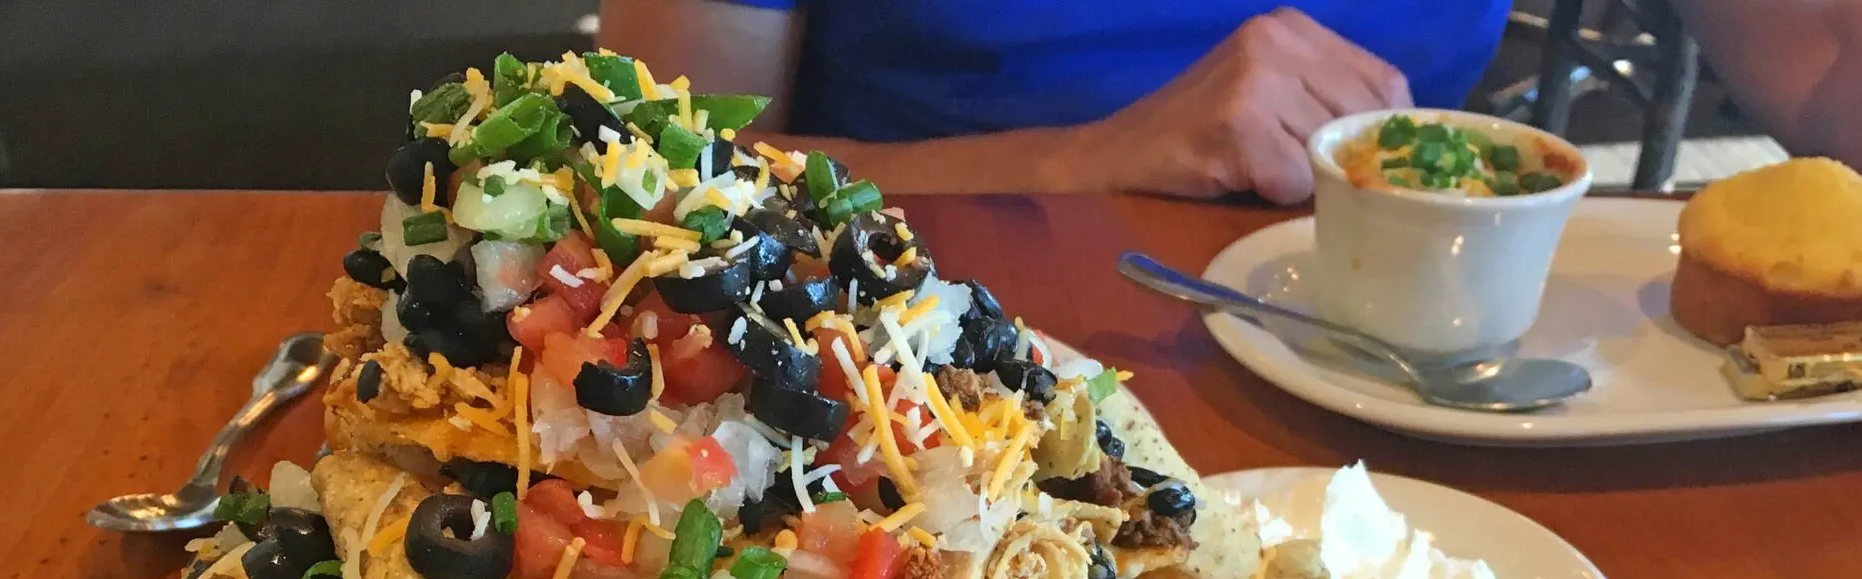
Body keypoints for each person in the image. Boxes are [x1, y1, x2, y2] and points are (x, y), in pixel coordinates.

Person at [599, 0, 1862, 203]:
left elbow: (1821, 72)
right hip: (912, 366)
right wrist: (1082, 159)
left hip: (1424, 408)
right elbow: (658, 163)